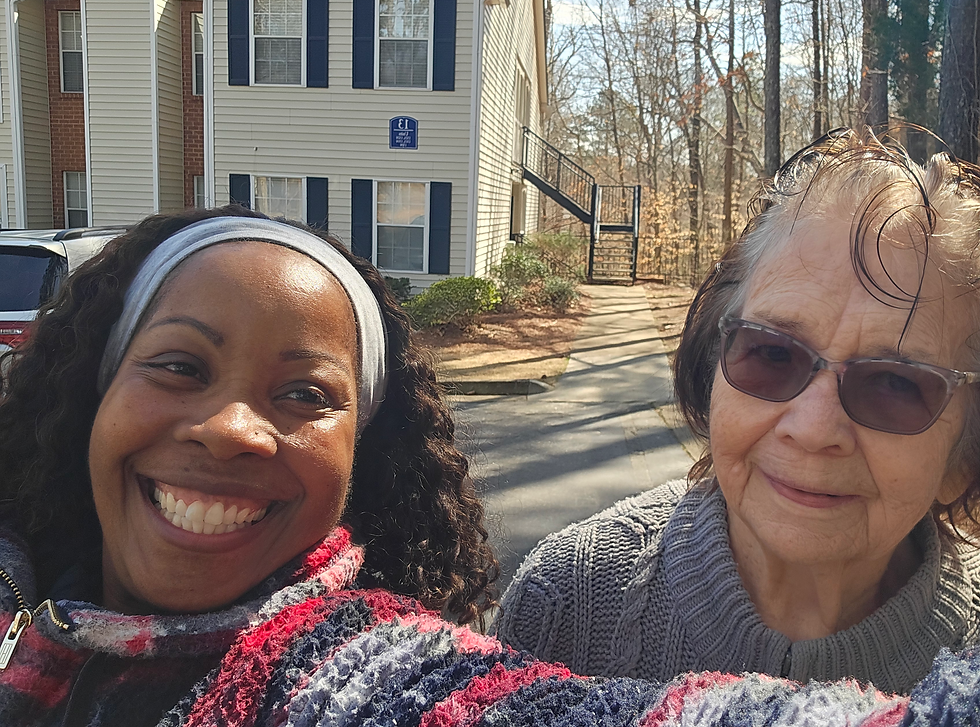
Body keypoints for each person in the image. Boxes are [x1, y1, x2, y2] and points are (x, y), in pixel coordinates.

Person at [0, 204, 978, 727]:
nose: (231, 429)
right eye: (178, 365)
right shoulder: (572, 588)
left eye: (894, 385)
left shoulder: (354, 676)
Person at [495, 129, 980, 695]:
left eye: (895, 385)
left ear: (962, 461)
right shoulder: (561, 607)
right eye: (772, 353)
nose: (814, 428)